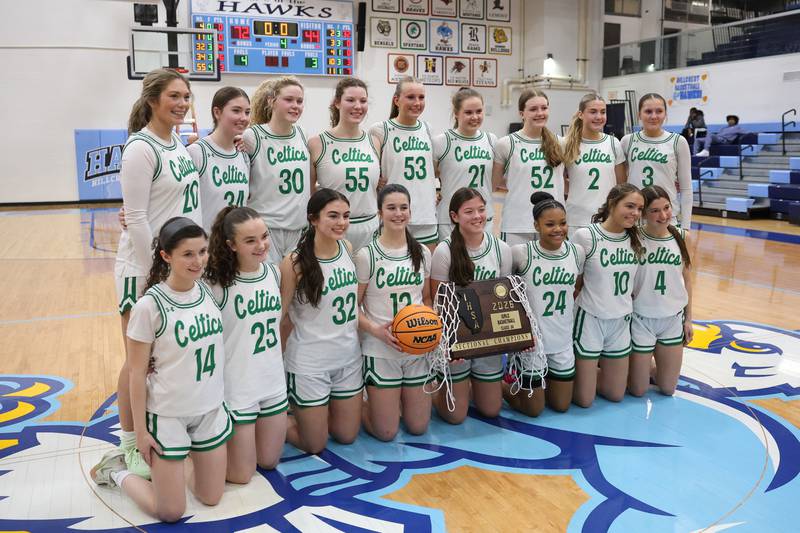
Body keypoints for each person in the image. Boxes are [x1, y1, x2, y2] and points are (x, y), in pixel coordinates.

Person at [91, 218, 230, 523]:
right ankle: (117, 471)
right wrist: (139, 433)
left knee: (211, 497)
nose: (199, 261)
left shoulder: (208, 291)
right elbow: (136, 373)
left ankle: (177, 463)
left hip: (208, 409)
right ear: (166, 256)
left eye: (203, 251)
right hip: (167, 414)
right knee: (170, 511)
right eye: (188, 254)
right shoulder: (149, 306)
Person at [110, 68, 202, 480]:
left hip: (173, 268)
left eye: (186, 97)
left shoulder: (177, 144)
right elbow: (138, 217)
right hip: (144, 270)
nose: (182, 103)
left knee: (159, 361)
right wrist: (158, 273)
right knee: (138, 364)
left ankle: (160, 431)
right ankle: (129, 444)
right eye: (174, 97)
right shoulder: (140, 148)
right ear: (152, 100)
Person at [205, 206, 287, 482]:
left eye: (264, 236)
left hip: (272, 383)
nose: (261, 245)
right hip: (237, 389)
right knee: (242, 475)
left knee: (269, 461)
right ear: (231, 245)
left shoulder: (273, 273)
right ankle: (189, 457)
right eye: (250, 240)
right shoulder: (216, 285)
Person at [279, 189, 362, 454]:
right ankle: (272, 420)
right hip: (309, 363)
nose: (341, 222)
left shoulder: (347, 248)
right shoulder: (294, 262)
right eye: (333, 216)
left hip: (348, 358)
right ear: (313, 219)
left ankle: (317, 413)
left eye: (346, 216)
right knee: (314, 445)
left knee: (346, 435)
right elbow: (282, 315)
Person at [355, 184, 433, 441]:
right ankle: (358, 408)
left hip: (416, 348)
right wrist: (375, 331)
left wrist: (431, 329)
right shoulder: (367, 255)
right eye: (391, 208)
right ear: (379, 212)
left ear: (410, 211)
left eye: (403, 208)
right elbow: (352, 307)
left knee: (418, 427)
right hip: (380, 349)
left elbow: (427, 298)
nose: (398, 213)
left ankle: (393, 403)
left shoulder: (421, 252)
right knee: (386, 433)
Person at [430, 188, 512, 424]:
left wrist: (513, 338)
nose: (477, 216)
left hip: (487, 340)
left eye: (481, 209)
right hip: (457, 340)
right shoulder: (444, 251)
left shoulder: (501, 249)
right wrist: (449, 347)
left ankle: (479, 387)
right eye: (469, 212)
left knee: (491, 410)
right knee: (455, 417)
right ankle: (436, 392)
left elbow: (506, 301)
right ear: (455, 217)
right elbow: (440, 303)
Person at [506, 192, 584, 416]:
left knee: (561, 406)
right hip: (532, 345)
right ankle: (503, 385)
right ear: (536, 225)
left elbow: (576, 287)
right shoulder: (522, 253)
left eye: (563, 223)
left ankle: (541, 381)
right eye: (550, 224)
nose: (558, 229)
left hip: (562, 342)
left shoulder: (576, 253)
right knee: (534, 410)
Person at [571, 184, 644, 408]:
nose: (635, 213)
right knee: (584, 400)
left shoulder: (637, 239)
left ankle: (595, 373)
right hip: (590, 319)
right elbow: (575, 283)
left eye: (640, 208)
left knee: (615, 395)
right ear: (612, 203)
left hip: (620, 322)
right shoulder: (586, 236)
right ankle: (563, 377)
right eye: (629, 206)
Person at [629, 186, 693, 397]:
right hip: (640, 318)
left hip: (671, 319)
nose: (663, 215)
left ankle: (656, 368)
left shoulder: (682, 236)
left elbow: (688, 279)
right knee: (638, 390)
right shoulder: (633, 237)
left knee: (667, 388)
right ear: (644, 213)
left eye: (666, 208)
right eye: (655, 210)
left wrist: (689, 319)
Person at [310, 77, 381, 252]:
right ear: (337, 103)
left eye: (363, 101)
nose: (358, 106)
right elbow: (310, 192)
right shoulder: (317, 143)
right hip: (334, 227)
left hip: (370, 225)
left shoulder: (374, 142)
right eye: (350, 100)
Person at [245, 76, 311, 263]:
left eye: (299, 101)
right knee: (270, 286)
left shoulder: (302, 134)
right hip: (267, 228)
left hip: (299, 228)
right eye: (288, 100)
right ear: (271, 101)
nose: (295, 105)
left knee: (295, 290)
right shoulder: (253, 136)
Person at [369, 77, 438, 248]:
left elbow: (435, 169)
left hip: (425, 215)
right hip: (394, 214)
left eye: (421, 97)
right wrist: (376, 180)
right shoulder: (380, 129)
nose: (417, 102)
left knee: (424, 271)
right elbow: (369, 169)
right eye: (411, 97)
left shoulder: (428, 129)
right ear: (397, 100)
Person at [493, 89, 565, 246]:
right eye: (533, 109)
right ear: (521, 113)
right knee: (515, 270)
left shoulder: (561, 143)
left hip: (552, 223)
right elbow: (492, 183)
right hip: (517, 223)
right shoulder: (506, 144)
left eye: (544, 108)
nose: (540, 113)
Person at [433, 87, 497, 241]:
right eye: (468, 112)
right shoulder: (442, 142)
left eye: (479, 111)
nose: (475, 117)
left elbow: (495, 180)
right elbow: (430, 175)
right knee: (453, 264)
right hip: (451, 219)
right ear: (456, 113)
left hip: (482, 217)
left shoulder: (491, 140)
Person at [621, 93, 692, 228]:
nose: (654, 116)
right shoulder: (627, 141)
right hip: (634, 219)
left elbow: (686, 188)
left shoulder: (678, 142)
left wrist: (686, 226)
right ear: (639, 115)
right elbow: (620, 183)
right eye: (648, 111)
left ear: (665, 114)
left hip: (666, 219)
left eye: (659, 111)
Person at [187, 87, 251, 231]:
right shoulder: (196, 152)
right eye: (236, 111)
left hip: (235, 245)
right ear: (217, 112)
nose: (244, 117)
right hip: (206, 246)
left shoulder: (243, 154)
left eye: (247, 112)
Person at [562, 93, 626, 238]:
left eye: (603, 112)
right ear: (580, 114)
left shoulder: (613, 143)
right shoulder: (567, 143)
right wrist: (575, 190)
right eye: (593, 112)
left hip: (607, 218)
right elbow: (557, 179)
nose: (599, 116)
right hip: (576, 218)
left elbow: (621, 184)